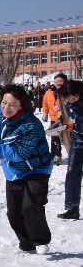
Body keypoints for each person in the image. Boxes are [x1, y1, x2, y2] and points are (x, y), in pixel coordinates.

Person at [0, 84, 53, 254]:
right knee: (13, 212)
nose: (7, 108)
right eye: (4, 103)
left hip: (37, 168)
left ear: (22, 105)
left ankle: (40, 241)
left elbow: (20, 153)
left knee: (31, 205)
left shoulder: (31, 125)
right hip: (14, 170)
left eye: (12, 104)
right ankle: (26, 243)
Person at [57, 79, 82, 220]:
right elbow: (73, 122)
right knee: (72, 173)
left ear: (76, 94)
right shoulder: (70, 104)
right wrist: (65, 127)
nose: (66, 100)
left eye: (67, 96)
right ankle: (72, 208)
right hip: (78, 141)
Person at [42, 73, 68, 165]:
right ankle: (56, 156)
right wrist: (45, 113)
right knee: (54, 138)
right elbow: (45, 104)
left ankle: (75, 155)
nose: (58, 83)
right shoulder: (49, 93)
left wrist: (65, 111)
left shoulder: (69, 92)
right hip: (54, 120)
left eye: (61, 81)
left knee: (69, 138)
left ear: (65, 81)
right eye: (56, 81)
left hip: (68, 120)